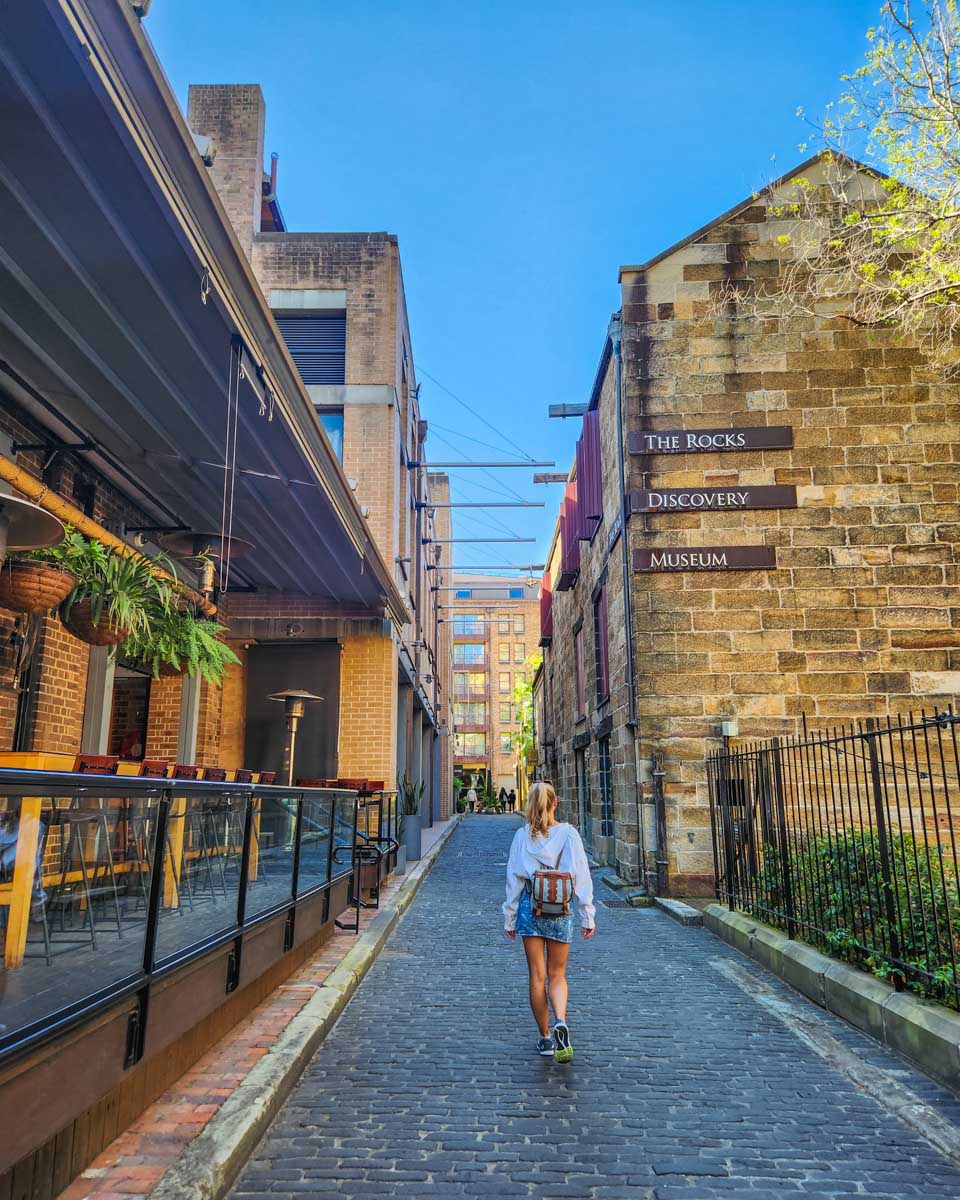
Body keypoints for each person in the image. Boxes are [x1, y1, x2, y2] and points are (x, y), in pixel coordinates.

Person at [503, 780, 595, 1062]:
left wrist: (509, 918)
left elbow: (514, 880)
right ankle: (561, 1020)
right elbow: (581, 876)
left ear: (530, 805)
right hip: (561, 907)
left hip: (530, 907)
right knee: (558, 974)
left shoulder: (522, 836)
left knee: (537, 975)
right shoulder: (569, 834)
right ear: (555, 803)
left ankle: (545, 1038)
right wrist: (587, 914)